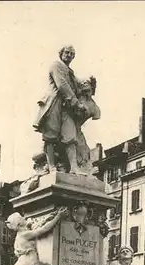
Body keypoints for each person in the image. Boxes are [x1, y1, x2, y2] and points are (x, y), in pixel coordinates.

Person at [33, 45, 87, 174]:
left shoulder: (70, 71)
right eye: (67, 52)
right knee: (50, 136)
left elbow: (77, 85)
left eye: (71, 54)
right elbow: (62, 85)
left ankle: (74, 167)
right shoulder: (56, 66)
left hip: (67, 108)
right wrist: (76, 103)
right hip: (55, 103)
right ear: (61, 53)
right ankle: (51, 167)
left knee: (70, 137)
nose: (68, 55)